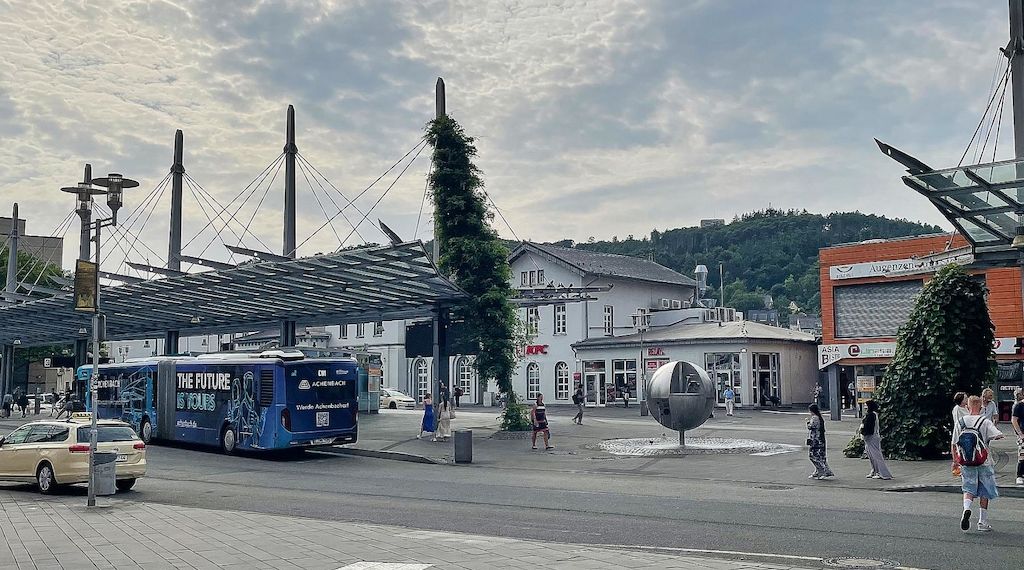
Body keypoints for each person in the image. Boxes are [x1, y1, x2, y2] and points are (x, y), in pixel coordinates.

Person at [953, 395, 1005, 532]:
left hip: (966, 461)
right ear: (981, 407)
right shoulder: (985, 421)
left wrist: (955, 462)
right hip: (983, 461)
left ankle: (967, 509)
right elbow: (999, 435)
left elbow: (954, 443)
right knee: (984, 491)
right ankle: (982, 522)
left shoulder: (961, 422)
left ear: (967, 407)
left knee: (968, 488)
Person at [860, 400, 892, 480]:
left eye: (866, 405)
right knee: (871, 455)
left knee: (876, 455)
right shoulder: (871, 414)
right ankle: (875, 470)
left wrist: (863, 433)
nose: (864, 407)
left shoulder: (871, 415)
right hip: (870, 437)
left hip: (872, 437)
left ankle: (882, 473)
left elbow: (869, 427)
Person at [806, 404, 834, 480]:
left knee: (814, 456)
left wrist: (808, 423)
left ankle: (822, 470)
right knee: (821, 456)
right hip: (820, 439)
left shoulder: (815, 418)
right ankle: (821, 470)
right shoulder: (820, 417)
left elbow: (811, 427)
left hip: (816, 440)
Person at [1011, 387, 1024, 487]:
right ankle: (1019, 475)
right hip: (1023, 434)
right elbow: (1014, 420)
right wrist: (1020, 433)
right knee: (1022, 455)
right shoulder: (1019, 406)